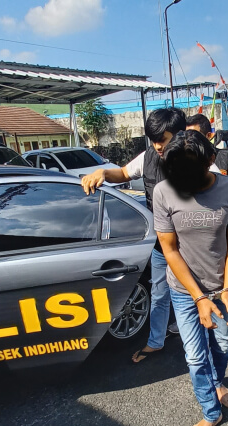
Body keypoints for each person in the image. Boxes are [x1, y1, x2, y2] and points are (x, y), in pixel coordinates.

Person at [152, 129, 228, 426]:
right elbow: (169, 248)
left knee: (222, 345)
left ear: (210, 161)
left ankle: (218, 382)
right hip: (183, 290)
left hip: (220, 289)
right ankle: (210, 412)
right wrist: (198, 297)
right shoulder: (164, 191)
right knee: (195, 355)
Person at [81, 108, 187, 363]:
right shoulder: (148, 156)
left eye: (163, 139)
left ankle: (204, 347)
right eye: (153, 140)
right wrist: (104, 173)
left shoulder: (196, 158)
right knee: (160, 295)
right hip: (163, 245)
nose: (157, 146)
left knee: (195, 296)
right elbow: (124, 173)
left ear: (180, 135)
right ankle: (156, 342)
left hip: (192, 246)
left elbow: (222, 188)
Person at [186, 114, 228, 247]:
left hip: (223, 229)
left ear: (209, 135)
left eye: (195, 134)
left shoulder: (227, 159)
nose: (191, 139)